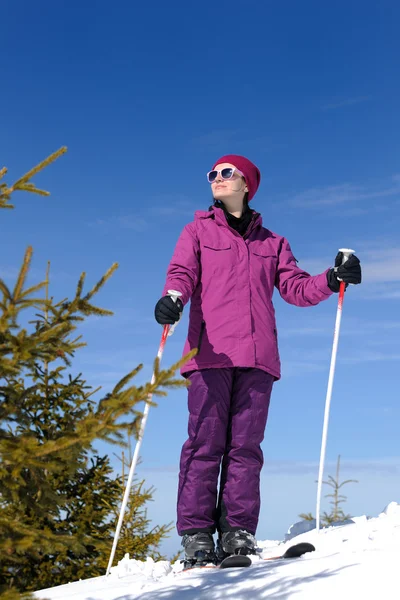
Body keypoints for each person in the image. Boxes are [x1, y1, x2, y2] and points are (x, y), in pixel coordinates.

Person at [154, 154, 362, 567]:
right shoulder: (196, 231)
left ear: (246, 183)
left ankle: (237, 532)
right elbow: (181, 273)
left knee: (246, 448)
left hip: (258, 357)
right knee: (203, 445)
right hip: (209, 354)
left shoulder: (273, 243)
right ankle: (196, 535)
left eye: (225, 173)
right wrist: (173, 298)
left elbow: (296, 288)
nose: (216, 178)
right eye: (212, 174)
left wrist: (332, 278)